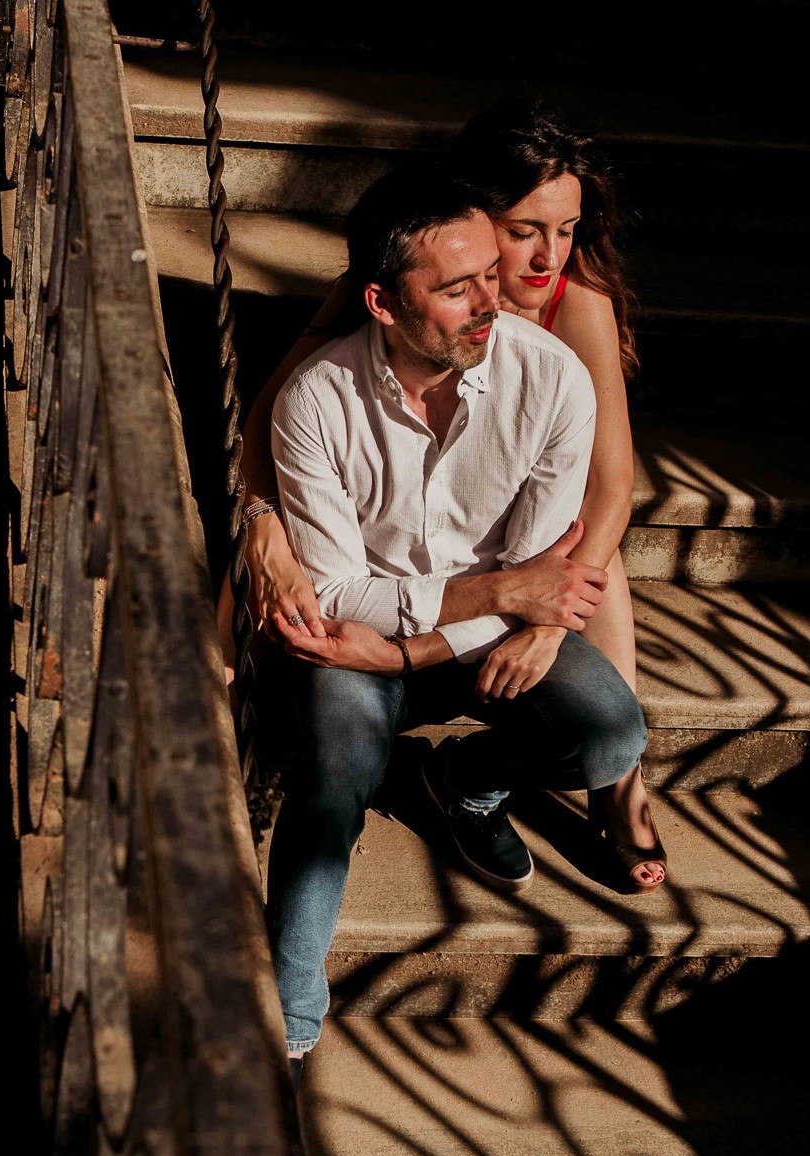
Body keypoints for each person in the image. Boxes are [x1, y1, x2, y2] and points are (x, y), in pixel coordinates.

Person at [258, 168, 647, 1073]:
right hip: (360, 646)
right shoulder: (316, 400)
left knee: (611, 732)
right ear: (383, 303)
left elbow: (543, 582)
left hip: (452, 642)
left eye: (489, 274)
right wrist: (494, 597)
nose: (492, 300)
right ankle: (288, 1011)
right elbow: (339, 593)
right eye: (456, 286)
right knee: (333, 772)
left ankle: (462, 779)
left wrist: (418, 644)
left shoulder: (550, 381)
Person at [233, 102, 666, 889]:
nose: (546, 255)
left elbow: (610, 491)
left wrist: (541, 622)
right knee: (305, 612)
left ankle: (604, 782)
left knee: (593, 584)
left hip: (549, 539)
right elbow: (269, 410)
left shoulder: (576, 307)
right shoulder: (410, 285)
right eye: (525, 228)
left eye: (567, 229)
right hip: (411, 539)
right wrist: (260, 520)